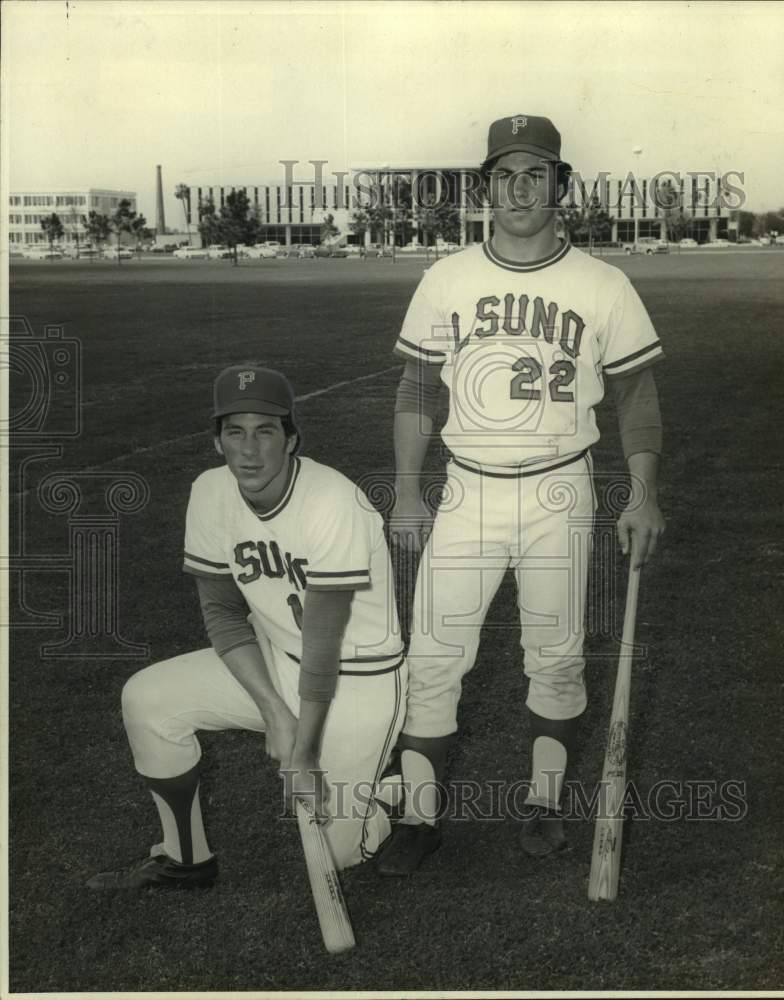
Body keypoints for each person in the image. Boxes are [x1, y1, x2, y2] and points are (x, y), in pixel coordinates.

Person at [377, 114, 665, 876]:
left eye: (535, 172)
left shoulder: (604, 285)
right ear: (486, 187)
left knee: (557, 656)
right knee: (433, 655)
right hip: (467, 491)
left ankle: (542, 803)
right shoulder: (447, 277)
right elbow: (414, 390)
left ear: (560, 186)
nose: (519, 188)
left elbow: (636, 395)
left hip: (560, 490)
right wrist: (407, 491)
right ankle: (419, 816)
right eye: (504, 174)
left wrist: (642, 494)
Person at [87, 364, 407, 889]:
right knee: (148, 698)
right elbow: (223, 612)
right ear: (217, 442)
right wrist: (276, 712)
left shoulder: (333, 501)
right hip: (277, 658)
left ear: (291, 439)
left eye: (265, 431)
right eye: (235, 432)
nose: (249, 449)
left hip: (359, 679)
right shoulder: (211, 492)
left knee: (335, 855)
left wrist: (302, 753)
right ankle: (185, 858)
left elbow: (324, 642)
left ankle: (375, 800)